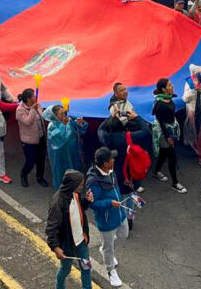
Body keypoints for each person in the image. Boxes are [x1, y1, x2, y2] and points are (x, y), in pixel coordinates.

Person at [86, 147, 128, 287]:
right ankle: (110, 270)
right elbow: (93, 204)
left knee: (123, 234)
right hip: (106, 220)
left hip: (120, 214)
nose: (113, 160)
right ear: (105, 163)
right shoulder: (93, 181)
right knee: (108, 248)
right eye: (111, 159)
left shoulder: (111, 171)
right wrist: (110, 203)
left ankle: (105, 249)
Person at [45, 170, 92, 289]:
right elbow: (51, 228)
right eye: (80, 184)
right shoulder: (57, 202)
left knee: (86, 268)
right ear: (73, 185)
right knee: (65, 269)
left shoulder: (75, 193)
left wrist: (87, 201)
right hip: (67, 245)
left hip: (81, 241)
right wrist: (56, 247)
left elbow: (80, 208)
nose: (82, 186)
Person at [152, 78, 187, 193]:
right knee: (172, 155)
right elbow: (161, 122)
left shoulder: (168, 97)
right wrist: (168, 137)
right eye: (169, 85)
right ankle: (175, 183)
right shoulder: (160, 104)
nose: (172, 86)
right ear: (163, 89)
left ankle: (156, 171)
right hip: (164, 132)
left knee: (164, 153)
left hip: (171, 128)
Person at [46, 104, 88, 189]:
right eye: (61, 114)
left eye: (64, 113)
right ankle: (63, 190)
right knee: (62, 173)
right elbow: (58, 138)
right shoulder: (52, 126)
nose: (64, 115)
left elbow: (78, 128)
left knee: (74, 169)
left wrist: (81, 122)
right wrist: (63, 125)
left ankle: (75, 186)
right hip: (61, 155)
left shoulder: (68, 120)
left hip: (72, 151)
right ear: (55, 116)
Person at [16, 89, 50, 188]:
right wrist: (33, 110)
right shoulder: (20, 110)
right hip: (29, 141)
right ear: (28, 99)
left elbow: (43, 116)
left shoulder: (37, 105)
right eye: (33, 96)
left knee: (41, 160)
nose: (35, 97)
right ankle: (23, 174)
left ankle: (40, 177)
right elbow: (27, 122)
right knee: (30, 161)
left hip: (41, 138)